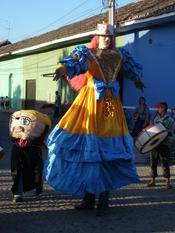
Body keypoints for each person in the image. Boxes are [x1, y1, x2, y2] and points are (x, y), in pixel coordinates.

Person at [44, 23, 145, 216]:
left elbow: (132, 70)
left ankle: (104, 200)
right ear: (96, 36)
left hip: (109, 105)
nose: (106, 39)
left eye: (109, 36)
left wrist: (138, 80)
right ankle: (89, 198)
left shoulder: (120, 55)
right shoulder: (88, 54)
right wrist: (62, 69)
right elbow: (74, 62)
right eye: (102, 36)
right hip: (90, 104)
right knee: (88, 151)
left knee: (107, 150)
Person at [9, 110, 51, 203]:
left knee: (34, 171)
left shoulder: (35, 135)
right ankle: (18, 194)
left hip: (30, 150)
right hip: (22, 150)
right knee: (18, 171)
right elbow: (12, 135)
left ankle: (36, 188)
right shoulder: (18, 137)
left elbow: (41, 137)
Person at [147, 102, 174, 189]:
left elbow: (172, 132)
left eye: (159, 108)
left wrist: (165, 132)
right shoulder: (156, 118)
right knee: (153, 162)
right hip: (154, 143)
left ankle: (167, 182)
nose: (157, 109)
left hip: (164, 144)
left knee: (165, 162)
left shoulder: (170, 120)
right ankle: (153, 180)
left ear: (163, 109)